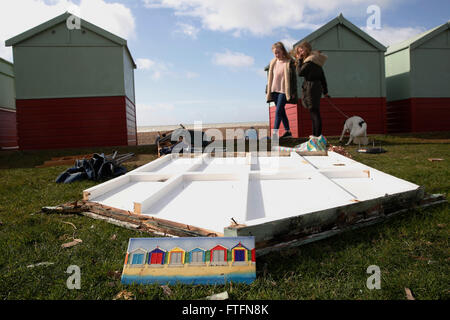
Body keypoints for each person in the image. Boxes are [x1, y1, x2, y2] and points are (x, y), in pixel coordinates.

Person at [295, 41, 329, 141]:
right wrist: (325, 91)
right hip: (316, 86)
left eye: (302, 48)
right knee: (314, 111)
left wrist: (299, 59)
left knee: (314, 112)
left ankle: (317, 136)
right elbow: (323, 77)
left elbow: (300, 72)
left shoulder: (310, 61)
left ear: (307, 49)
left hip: (311, 87)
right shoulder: (317, 61)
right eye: (299, 49)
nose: (300, 51)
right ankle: (316, 135)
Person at [266, 41, 298, 139]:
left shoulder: (289, 62)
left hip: (284, 90)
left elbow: (293, 79)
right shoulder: (273, 62)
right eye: (275, 53)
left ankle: (274, 135)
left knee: (278, 111)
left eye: (278, 52)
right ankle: (288, 131)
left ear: (283, 51)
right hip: (274, 90)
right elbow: (271, 78)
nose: (276, 54)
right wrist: (268, 90)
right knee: (281, 111)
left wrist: (293, 91)